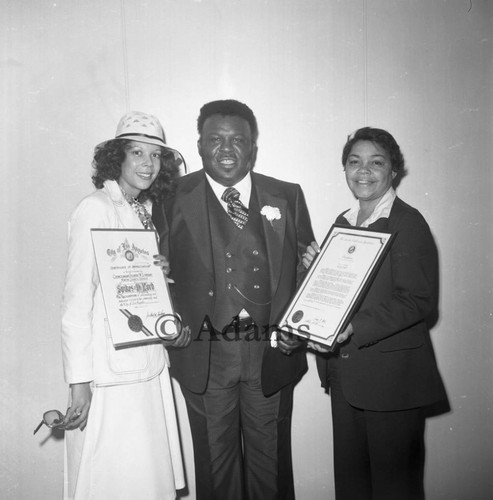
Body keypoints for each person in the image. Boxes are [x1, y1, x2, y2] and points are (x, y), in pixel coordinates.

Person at [153, 99, 314, 499]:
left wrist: (304, 318)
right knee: (215, 466)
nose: (226, 149)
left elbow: (304, 276)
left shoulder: (287, 196)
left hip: (271, 354)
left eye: (238, 139)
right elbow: (153, 276)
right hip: (204, 354)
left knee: (270, 467)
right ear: (200, 145)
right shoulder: (171, 197)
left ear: (253, 147)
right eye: (215, 139)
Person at [304, 127, 447, 500]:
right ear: (345, 169)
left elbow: (418, 299)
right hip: (346, 377)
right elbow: (345, 290)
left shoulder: (408, 222)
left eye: (376, 162)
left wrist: (354, 327)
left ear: (393, 171)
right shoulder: (344, 220)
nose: (363, 171)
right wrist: (315, 274)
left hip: (392, 384)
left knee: (394, 490)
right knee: (352, 489)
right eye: (354, 162)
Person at [61, 111, 191, 500]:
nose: (147, 164)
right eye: (137, 153)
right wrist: (79, 382)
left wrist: (160, 273)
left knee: (147, 480)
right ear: (117, 158)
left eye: (155, 155)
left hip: (149, 366)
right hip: (110, 374)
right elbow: (75, 302)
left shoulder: (145, 211)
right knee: (112, 480)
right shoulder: (95, 208)